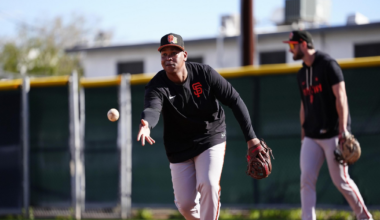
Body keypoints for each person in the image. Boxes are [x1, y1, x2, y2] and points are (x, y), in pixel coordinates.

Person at [137, 33, 261, 220]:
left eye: (174, 52)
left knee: (209, 184)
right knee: (186, 205)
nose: (168, 57)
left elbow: (234, 100)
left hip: (210, 136)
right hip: (179, 146)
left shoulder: (204, 74)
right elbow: (152, 109)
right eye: (164, 54)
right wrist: (147, 124)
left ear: (184, 55)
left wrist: (251, 138)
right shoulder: (157, 85)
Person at [283, 30, 373, 220]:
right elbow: (303, 105)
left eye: (293, 45)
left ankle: (364, 217)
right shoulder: (301, 74)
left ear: (304, 45)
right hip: (311, 136)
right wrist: (303, 135)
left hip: (333, 134)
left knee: (341, 181)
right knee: (306, 179)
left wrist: (343, 131)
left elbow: (341, 97)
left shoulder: (328, 65)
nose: (291, 50)